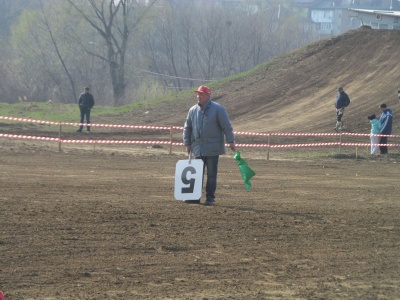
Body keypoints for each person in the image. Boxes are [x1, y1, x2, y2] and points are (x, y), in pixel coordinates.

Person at [183, 85, 236, 206]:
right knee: (197, 174)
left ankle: (210, 198)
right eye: (197, 94)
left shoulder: (218, 109)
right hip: (198, 148)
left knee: (211, 174)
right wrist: (187, 143)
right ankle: (194, 197)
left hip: (213, 149)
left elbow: (226, 126)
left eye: (201, 94)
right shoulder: (192, 110)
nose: (198, 96)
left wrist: (231, 141)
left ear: (208, 95)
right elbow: (188, 128)